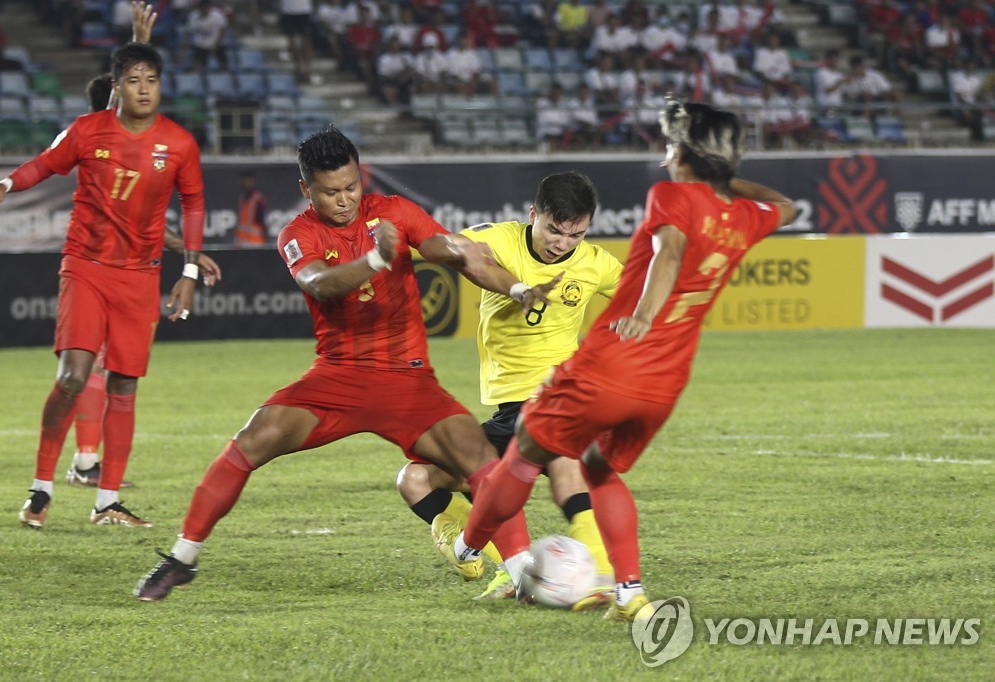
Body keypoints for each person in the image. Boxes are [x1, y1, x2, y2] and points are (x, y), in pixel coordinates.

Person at [134, 128, 558, 601]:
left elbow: (452, 251)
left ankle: (524, 575)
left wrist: (516, 288)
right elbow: (319, 283)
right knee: (251, 439)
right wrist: (377, 260)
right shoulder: (297, 234)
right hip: (337, 377)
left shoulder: (394, 211)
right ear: (306, 190)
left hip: (407, 378)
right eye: (331, 191)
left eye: (352, 187)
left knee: (480, 460)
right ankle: (183, 557)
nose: (345, 200)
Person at [434, 98, 796, 622]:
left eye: (673, 145)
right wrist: (725, 182)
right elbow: (788, 208)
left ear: (690, 154)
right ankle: (632, 595)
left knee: (522, 454)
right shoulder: (740, 216)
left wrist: (643, 314)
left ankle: (473, 548)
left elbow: (668, 251)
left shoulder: (672, 194)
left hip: (612, 362)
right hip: (666, 380)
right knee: (597, 469)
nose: (667, 155)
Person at [0, 41, 208, 529]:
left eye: (151, 80)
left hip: (141, 276)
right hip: (86, 266)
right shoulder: (87, 132)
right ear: (116, 86)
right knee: (73, 376)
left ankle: (107, 502)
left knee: (124, 386)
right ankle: (40, 490)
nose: (143, 89)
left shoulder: (180, 143)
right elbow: (45, 162)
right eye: (133, 80)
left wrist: (187, 271)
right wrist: (9, 184)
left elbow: (192, 206)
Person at [395, 171, 622, 602]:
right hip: (509, 409)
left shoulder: (596, 264)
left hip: (558, 395)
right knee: (416, 478)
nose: (562, 243)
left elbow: (640, 296)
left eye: (576, 234)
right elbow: (455, 248)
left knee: (560, 456)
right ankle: (504, 565)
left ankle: (598, 570)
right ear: (533, 214)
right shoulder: (500, 240)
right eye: (554, 229)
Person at [67, 11, 223, 487]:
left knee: (104, 367)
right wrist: (139, 40)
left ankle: (87, 463)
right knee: (98, 366)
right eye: (130, 85)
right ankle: (86, 465)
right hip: (99, 266)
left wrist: (186, 253)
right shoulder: (94, 138)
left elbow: (146, 226)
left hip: (124, 264)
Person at [234, 171, 268, 246]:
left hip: (254, 241)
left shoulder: (257, 199)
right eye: (244, 180)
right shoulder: (242, 198)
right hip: (242, 241)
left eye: (248, 180)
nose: (245, 183)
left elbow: (262, 219)